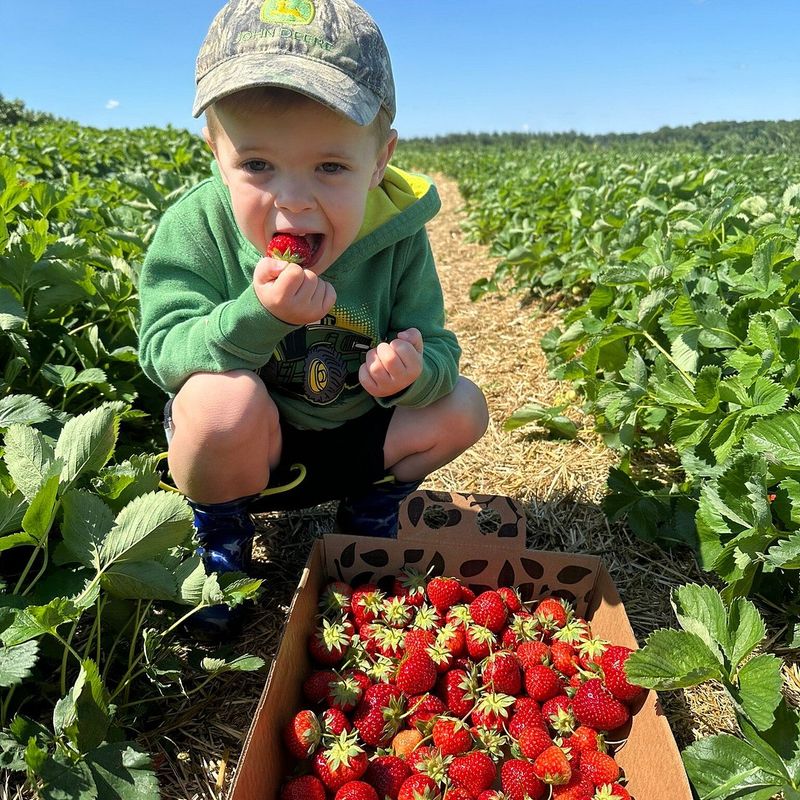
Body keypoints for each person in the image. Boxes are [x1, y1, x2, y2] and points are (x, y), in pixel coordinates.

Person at [137, 0, 489, 599]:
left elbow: (437, 342)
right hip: (256, 449)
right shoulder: (196, 227)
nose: (292, 200)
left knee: (462, 406)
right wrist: (259, 317)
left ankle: (369, 511)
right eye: (257, 164)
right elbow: (163, 349)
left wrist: (412, 373)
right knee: (220, 403)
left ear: (378, 162)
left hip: (354, 438)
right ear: (216, 156)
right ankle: (222, 537)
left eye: (330, 166)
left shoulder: (397, 234)